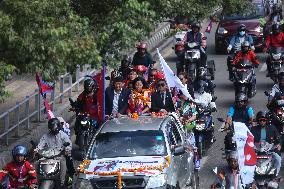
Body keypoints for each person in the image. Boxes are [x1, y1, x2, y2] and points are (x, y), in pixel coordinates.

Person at [34, 118, 74, 187]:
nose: (53, 129)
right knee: (37, 163)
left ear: (58, 126)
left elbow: (68, 143)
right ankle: (36, 181)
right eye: (52, 128)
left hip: (59, 156)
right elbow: (40, 145)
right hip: (47, 157)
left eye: (55, 128)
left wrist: (67, 149)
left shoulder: (63, 135)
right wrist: (36, 150)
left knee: (64, 161)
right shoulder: (46, 136)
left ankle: (62, 181)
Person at [251, 111, 282, 176]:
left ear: (267, 120)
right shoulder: (253, 129)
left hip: (269, 150)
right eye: (260, 120)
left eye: (264, 120)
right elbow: (249, 140)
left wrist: (278, 145)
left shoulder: (272, 128)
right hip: (256, 151)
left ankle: (276, 175)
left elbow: (278, 139)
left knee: (278, 159)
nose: (262, 122)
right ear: (258, 121)